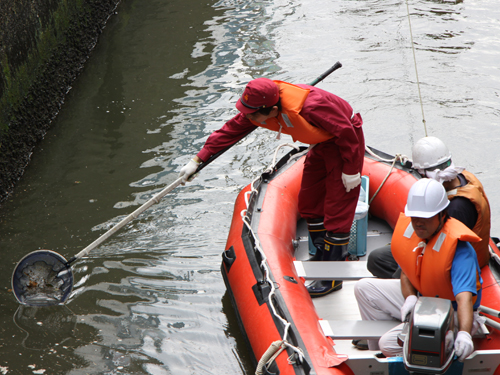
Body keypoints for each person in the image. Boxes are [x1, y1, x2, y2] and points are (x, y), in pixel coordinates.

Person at [178, 77, 365, 297]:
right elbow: (230, 130)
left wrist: (351, 169)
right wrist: (198, 160)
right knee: (309, 201)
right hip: (321, 143)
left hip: (344, 143)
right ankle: (321, 253)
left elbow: (346, 132)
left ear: (273, 109)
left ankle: (331, 277)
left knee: (337, 208)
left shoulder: (313, 107)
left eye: (251, 114)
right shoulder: (258, 108)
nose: (247, 117)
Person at [354, 178, 483, 361]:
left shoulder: (460, 251)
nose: (418, 223)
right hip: (424, 299)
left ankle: (399, 349)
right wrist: (410, 298)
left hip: (449, 312)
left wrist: (464, 333)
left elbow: (464, 299)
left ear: (442, 214)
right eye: (415, 217)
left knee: (388, 344)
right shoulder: (415, 234)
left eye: (426, 217)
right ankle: (376, 355)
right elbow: (407, 271)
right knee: (364, 288)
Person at [367, 136, 491, 279]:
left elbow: (441, 248)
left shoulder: (458, 208)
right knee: (378, 258)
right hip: (435, 246)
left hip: (449, 262)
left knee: (384, 264)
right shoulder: (463, 178)